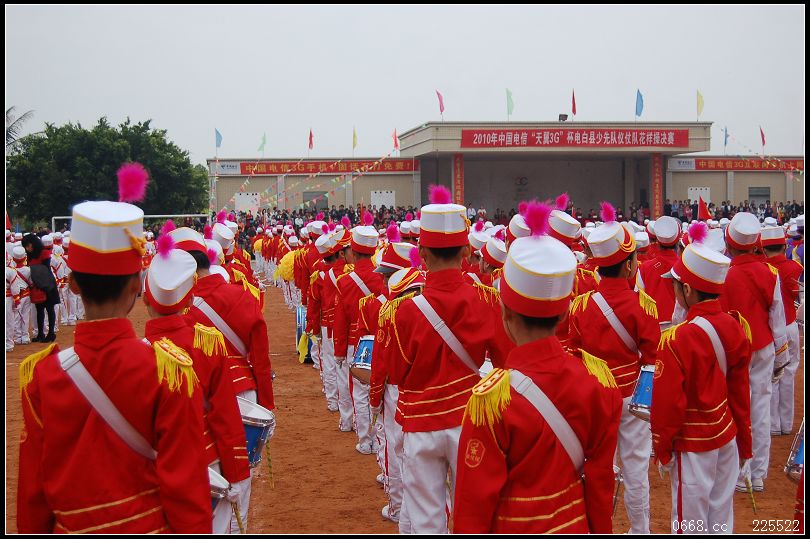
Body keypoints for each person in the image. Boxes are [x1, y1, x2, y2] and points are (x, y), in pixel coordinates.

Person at [17, 172, 211, 532]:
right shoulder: (168, 371)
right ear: (138, 284)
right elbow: (188, 497)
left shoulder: (41, 376)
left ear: (73, 285)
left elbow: (33, 500)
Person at [453, 202, 621, 533]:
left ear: (505, 313)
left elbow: (473, 508)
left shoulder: (491, 401)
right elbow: (601, 482)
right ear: (564, 314)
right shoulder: (599, 380)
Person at [384, 186, 511, 533]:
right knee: (475, 515)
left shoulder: (403, 310)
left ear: (422, 253)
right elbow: (505, 363)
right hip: (469, 420)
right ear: (467, 251)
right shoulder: (486, 299)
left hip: (421, 424)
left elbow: (396, 373)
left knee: (426, 521)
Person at [143, 230, 251, 534]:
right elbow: (225, 414)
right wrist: (237, 472)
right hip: (208, 460)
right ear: (190, 297)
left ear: (145, 299)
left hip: (156, 469)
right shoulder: (208, 343)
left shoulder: (138, 354)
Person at [652, 222, 752, 533]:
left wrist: (662, 448)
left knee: (690, 524)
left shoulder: (676, 339)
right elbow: (740, 392)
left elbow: (668, 405)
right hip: (726, 435)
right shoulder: (735, 326)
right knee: (720, 519)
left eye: (676, 285)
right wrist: (745, 443)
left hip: (693, 443)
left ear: (688, 290)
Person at [567, 202, 660, 534]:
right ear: (631, 264)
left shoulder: (580, 307)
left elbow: (573, 355)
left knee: (596, 468)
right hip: (632, 396)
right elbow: (652, 359)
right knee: (636, 468)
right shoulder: (643, 306)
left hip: (595, 398)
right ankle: (641, 529)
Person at [723, 212, 788, 493]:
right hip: (762, 345)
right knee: (761, 408)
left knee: (733, 408)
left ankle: (738, 471)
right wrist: (781, 357)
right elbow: (777, 318)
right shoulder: (769, 273)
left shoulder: (722, 272)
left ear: (729, 242)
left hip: (731, 349)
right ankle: (757, 473)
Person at [333, 213, 385, 454]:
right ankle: (381, 440)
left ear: (352, 252)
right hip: (384, 340)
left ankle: (366, 441)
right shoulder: (383, 278)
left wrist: (339, 351)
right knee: (382, 393)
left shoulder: (345, 282)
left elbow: (341, 321)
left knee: (361, 393)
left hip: (358, 342)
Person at [760, 226, 803, 436]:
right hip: (790, 324)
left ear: (763, 249)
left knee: (771, 375)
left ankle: (774, 425)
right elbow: (798, 296)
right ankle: (786, 424)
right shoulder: (795, 267)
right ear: (784, 246)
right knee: (789, 373)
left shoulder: (762, 269)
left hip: (770, 328)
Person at [22, 233, 60, 343]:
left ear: (33, 243)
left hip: (47, 283)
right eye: (25, 247)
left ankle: (51, 333)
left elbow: (46, 269)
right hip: (37, 285)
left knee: (49, 308)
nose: (27, 248)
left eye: (28, 245)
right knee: (39, 309)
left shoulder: (44, 253)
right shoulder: (30, 255)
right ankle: (40, 334)